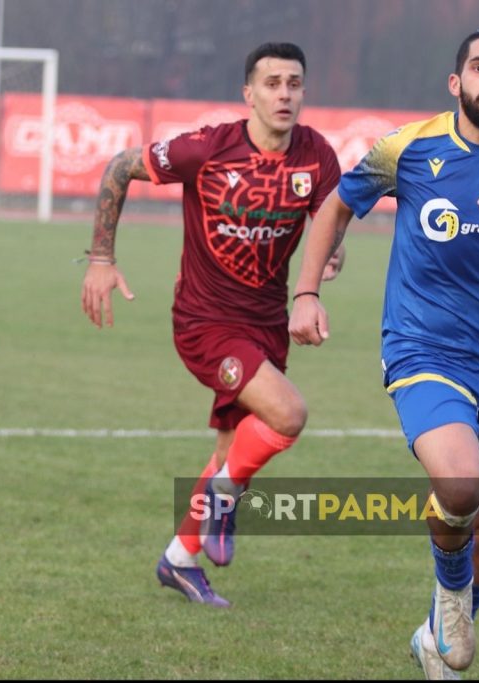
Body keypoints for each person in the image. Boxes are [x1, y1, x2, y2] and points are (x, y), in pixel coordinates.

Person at [289, 24, 479, 679]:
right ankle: (450, 595)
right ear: (456, 83)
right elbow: (338, 206)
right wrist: (306, 291)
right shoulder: (410, 147)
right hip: (424, 345)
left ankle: (440, 634)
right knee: (458, 482)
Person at [80, 42, 342, 608]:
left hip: (266, 325)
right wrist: (101, 259)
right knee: (289, 413)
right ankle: (225, 499)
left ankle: (178, 559)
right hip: (205, 321)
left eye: (294, 83)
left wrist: (324, 268)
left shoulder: (317, 156)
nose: (284, 94)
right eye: (272, 83)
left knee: (232, 450)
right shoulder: (207, 148)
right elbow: (120, 167)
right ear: (248, 93)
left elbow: (330, 222)